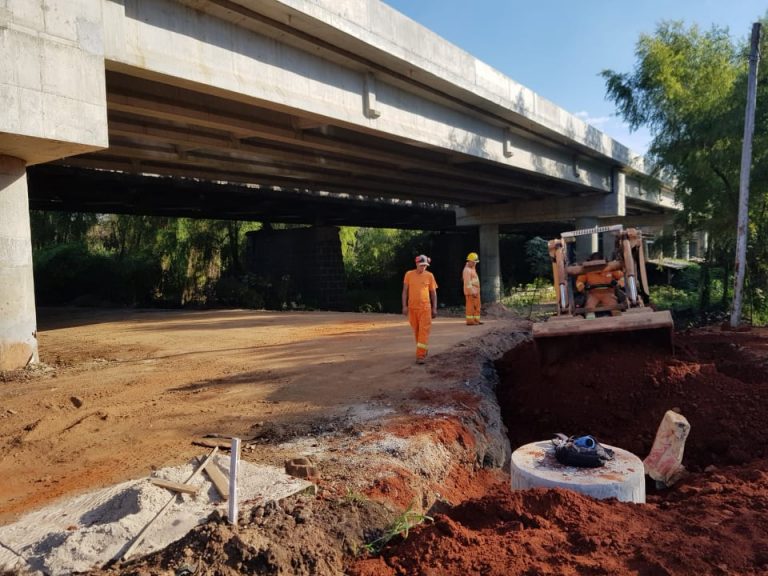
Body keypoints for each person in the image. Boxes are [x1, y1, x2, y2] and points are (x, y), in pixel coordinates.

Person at [402, 254, 438, 364]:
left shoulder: (430, 276)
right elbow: (405, 291)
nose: (423, 267)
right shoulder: (409, 274)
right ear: (416, 264)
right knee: (417, 331)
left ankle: (420, 355)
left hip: (425, 308)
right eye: (421, 265)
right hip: (412, 308)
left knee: (424, 331)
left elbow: (433, 293)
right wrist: (404, 306)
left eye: (425, 265)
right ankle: (423, 348)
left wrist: (434, 308)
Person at [575, 252, 625, 316]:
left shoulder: (610, 268)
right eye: (595, 265)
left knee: (614, 307)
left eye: (599, 265)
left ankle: (618, 321)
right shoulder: (587, 271)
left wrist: (619, 283)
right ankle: (590, 321)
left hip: (608, 293)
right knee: (589, 308)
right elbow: (579, 281)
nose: (597, 268)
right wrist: (581, 286)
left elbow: (622, 277)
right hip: (593, 295)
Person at [462, 252, 482, 325]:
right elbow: (467, 283)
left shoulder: (472, 269)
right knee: (470, 307)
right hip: (471, 293)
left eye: (475, 262)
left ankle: (476, 320)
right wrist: (472, 292)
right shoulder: (467, 270)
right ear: (469, 261)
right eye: (473, 262)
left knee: (477, 306)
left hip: (476, 292)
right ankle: (470, 321)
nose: (475, 263)